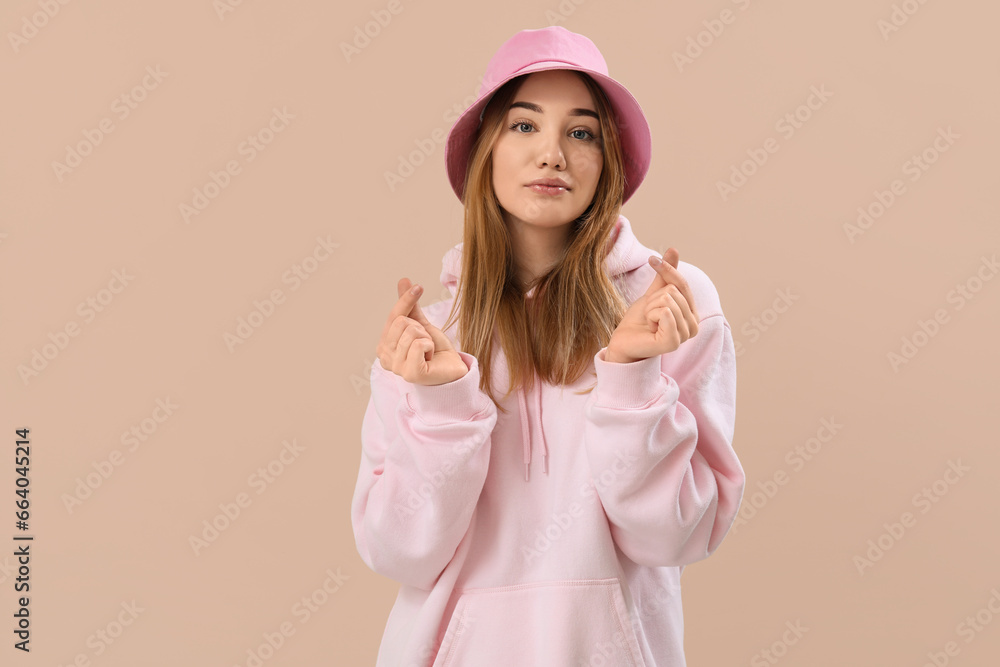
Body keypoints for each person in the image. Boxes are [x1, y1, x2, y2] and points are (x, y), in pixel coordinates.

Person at [351, 25, 745, 667]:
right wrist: (443, 407)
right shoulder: (431, 337)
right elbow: (400, 553)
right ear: (487, 150)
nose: (552, 154)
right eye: (525, 125)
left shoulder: (669, 306)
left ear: (608, 160)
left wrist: (632, 378)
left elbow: (679, 534)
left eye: (582, 132)